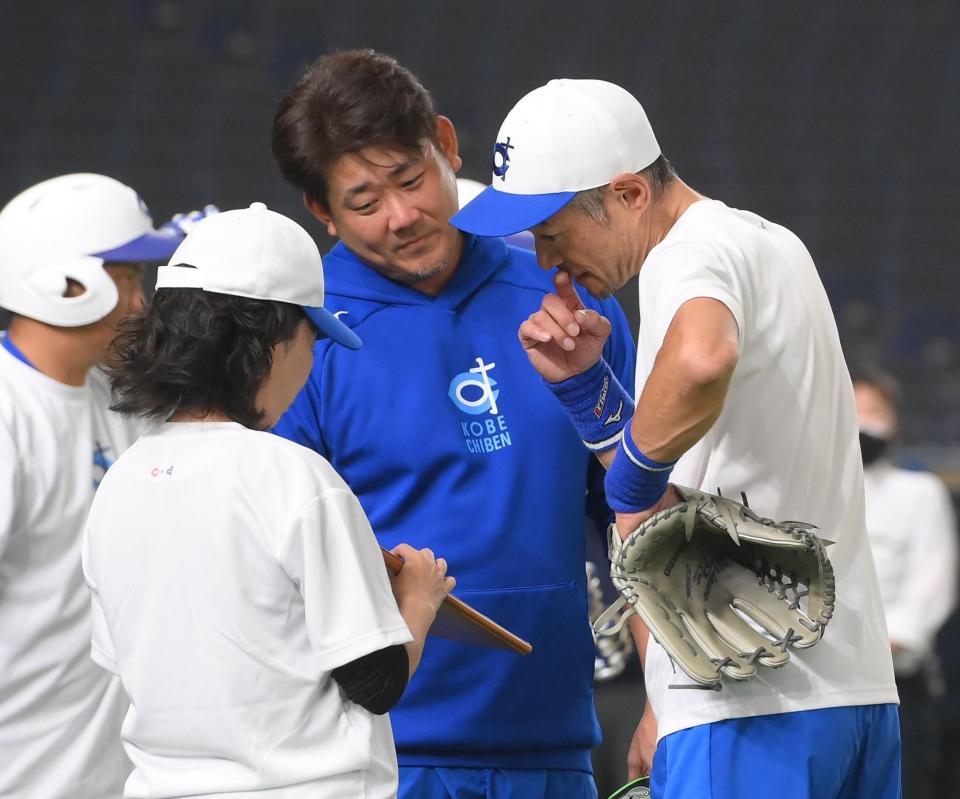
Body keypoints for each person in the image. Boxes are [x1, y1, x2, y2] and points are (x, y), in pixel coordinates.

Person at [452, 78, 901, 798]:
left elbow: (700, 360)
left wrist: (628, 485)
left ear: (629, 193)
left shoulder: (683, 253)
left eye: (552, 231)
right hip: (854, 694)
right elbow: (717, 450)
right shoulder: (771, 241)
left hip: (750, 709)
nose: (544, 261)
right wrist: (592, 396)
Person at [271, 50, 636, 798]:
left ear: (447, 143)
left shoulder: (565, 288)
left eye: (411, 178)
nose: (402, 216)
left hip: (557, 740)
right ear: (322, 210)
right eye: (366, 200)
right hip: (374, 756)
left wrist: (673, 697)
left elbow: (636, 508)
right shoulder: (294, 339)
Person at [81, 202, 454, 798]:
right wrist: (420, 598)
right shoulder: (295, 477)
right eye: (312, 338)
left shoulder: (120, 480)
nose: (310, 363)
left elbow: (123, 661)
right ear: (272, 339)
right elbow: (377, 682)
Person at [0, 172, 196, 799]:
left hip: (109, 776)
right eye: (126, 277)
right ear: (62, 284)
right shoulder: (7, 412)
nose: (140, 304)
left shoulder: (116, 398)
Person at [854, 370, 958, 799]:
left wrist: (877, 646)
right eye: (854, 409)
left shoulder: (921, 493)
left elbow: (932, 589)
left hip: (901, 689)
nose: (863, 422)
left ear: (893, 423)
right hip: (819, 689)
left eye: (874, 411)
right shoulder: (806, 494)